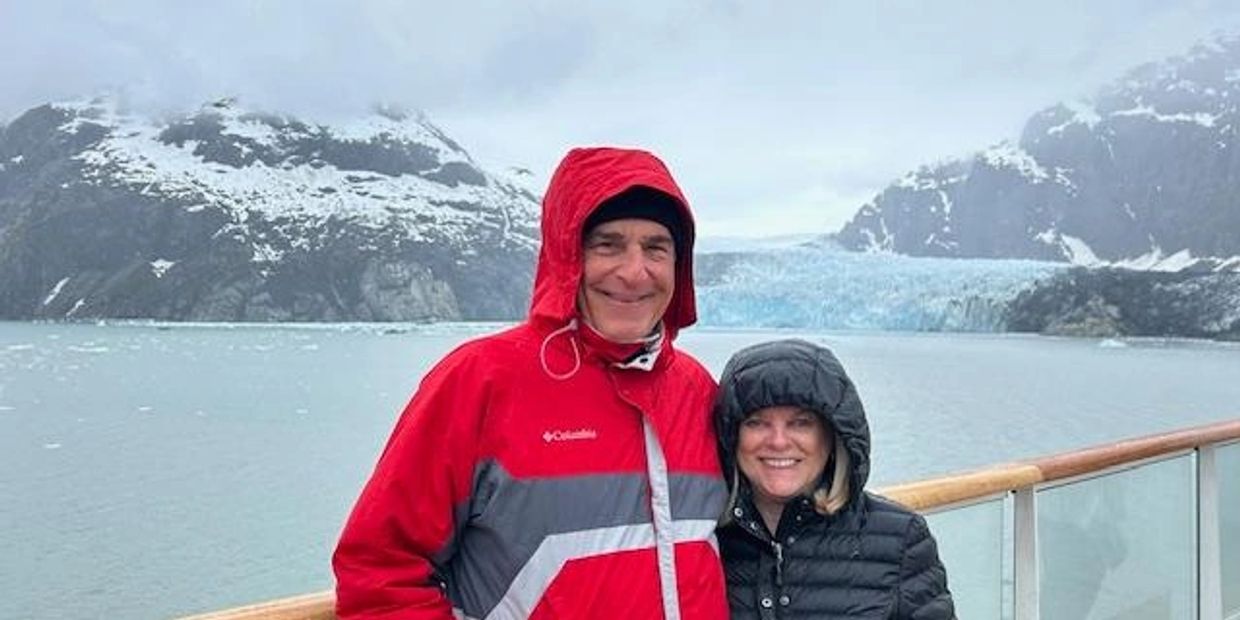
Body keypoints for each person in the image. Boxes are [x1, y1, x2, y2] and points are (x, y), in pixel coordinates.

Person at [332, 147, 728, 619]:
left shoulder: (696, 390)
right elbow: (380, 571)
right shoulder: (481, 381)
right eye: (608, 244)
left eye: (656, 248)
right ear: (567, 255)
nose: (633, 271)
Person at [713, 338, 955, 619]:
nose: (778, 442)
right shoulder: (702, 537)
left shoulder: (900, 540)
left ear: (832, 435)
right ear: (732, 436)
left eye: (801, 423)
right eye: (756, 422)